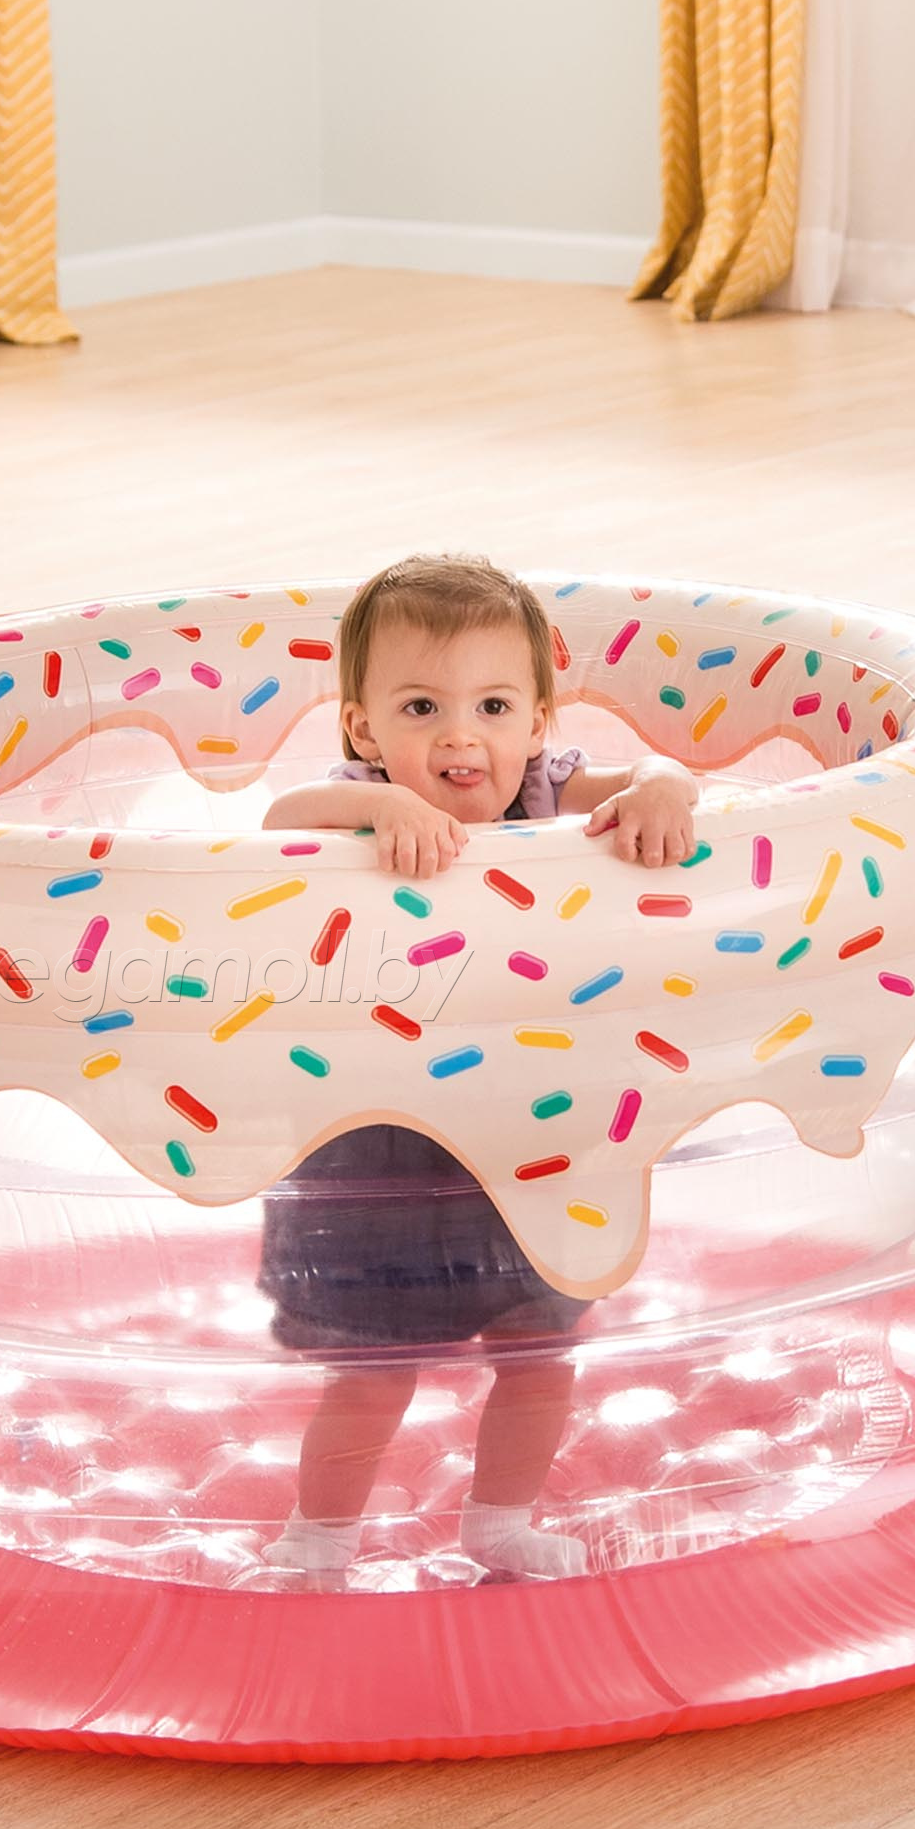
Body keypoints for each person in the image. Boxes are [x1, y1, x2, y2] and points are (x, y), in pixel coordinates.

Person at [253, 554, 700, 1584]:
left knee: (541, 1352)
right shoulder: (357, 798)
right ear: (365, 729)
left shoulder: (545, 791)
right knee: (375, 1373)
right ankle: (317, 1539)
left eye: (493, 706)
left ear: (537, 723)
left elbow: (648, 780)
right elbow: (282, 822)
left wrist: (664, 785)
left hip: (529, 1136)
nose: (461, 736)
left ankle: (500, 1521)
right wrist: (379, 814)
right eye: (422, 707)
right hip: (383, 1148)